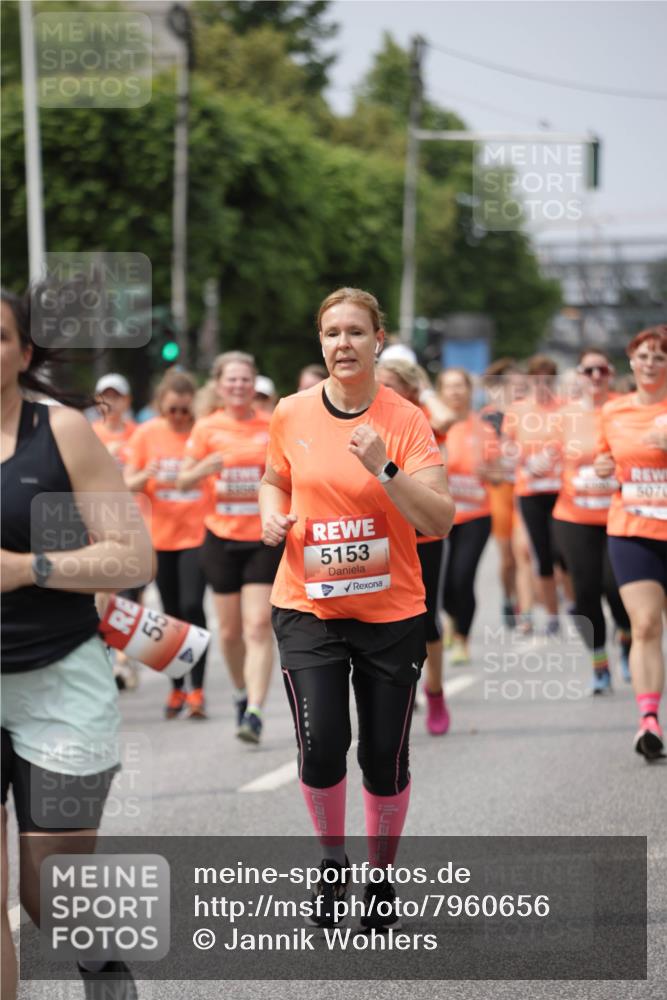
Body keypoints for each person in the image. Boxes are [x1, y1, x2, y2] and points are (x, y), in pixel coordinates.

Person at [260, 287, 454, 927]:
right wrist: (270, 516)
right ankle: (331, 863)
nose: (343, 344)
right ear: (321, 342)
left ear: (378, 341)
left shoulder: (405, 419)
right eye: (332, 333)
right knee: (321, 745)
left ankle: (379, 877)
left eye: (356, 333)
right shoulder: (290, 412)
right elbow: (274, 478)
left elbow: (442, 519)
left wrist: (387, 469)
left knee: (381, 756)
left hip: (391, 613)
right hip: (307, 604)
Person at [1, 286, 153, 1000]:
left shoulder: (59, 433)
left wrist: (26, 569)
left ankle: (99, 965)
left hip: (59, 679)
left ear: (23, 352)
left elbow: (131, 557)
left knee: (49, 893)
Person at [178, 352, 282, 744]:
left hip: (261, 538)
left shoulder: (271, 425)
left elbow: (288, 474)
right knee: (230, 632)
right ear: (219, 386)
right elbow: (184, 480)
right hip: (219, 538)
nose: (239, 386)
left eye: (245, 379)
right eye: (231, 380)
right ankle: (240, 692)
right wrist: (205, 469)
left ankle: (254, 711)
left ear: (254, 384)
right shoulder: (206, 427)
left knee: (258, 625)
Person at [594, 325, 667, 759]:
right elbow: (606, 456)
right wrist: (604, 465)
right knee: (644, 625)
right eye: (643, 356)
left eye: (659, 357)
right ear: (631, 362)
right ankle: (648, 720)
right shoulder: (614, 411)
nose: (651, 363)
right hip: (632, 528)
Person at [124, 371, 212, 719]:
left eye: (184, 411)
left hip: (197, 534)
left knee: (192, 606)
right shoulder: (147, 434)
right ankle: (177, 689)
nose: (178, 417)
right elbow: (127, 482)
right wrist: (146, 476)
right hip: (160, 537)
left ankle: (199, 690)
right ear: (161, 406)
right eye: (172, 410)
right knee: (171, 616)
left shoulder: (201, 433)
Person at [376, 357, 455, 735]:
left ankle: (436, 692)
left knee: (424, 620)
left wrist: (423, 390)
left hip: (422, 533)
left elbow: (447, 419)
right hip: (380, 535)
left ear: (408, 390)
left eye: (390, 385)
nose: (382, 391)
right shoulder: (366, 418)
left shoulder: (420, 419)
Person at [552, 349, 632, 692]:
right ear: (581, 376)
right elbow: (540, 456)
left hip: (620, 514)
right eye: (589, 370)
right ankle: (600, 666)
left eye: (602, 370)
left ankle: (628, 643)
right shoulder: (563, 416)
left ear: (611, 374)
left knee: (618, 591)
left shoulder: (624, 409)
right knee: (585, 595)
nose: (596, 376)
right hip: (574, 516)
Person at [437, 367, 500, 665]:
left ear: (469, 391)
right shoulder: (431, 426)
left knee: (462, 578)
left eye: (460, 386)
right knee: (443, 583)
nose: (455, 393)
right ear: (441, 392)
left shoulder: (483, 429)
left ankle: (462, 638)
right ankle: (450, 618)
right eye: (448, 387)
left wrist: (491, 472)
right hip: (439, 516)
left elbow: (501, 473)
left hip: (475, 515)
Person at [503, 354, 563, 636]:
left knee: (560, 553)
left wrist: (552, 456)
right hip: (529, 491)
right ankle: (550, 615)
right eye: (537, 380)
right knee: (538, 553)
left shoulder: (565, 408)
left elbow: (573, 443)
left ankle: (565, 604)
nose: (542, 385)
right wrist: (526, 462)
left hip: (561, 491)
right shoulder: (518, 410)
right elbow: (507, 447)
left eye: (548, 380)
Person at [92, 373, 142, 690]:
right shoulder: (87, 434)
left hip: (136, 525)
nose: (110, 402)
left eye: (116, 395)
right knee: (102, 596)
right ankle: (109, 658)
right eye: (104, 396)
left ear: (127, 401)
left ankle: (122, 661)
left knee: (128, 595)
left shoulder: (139, 434)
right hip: (98, 524)